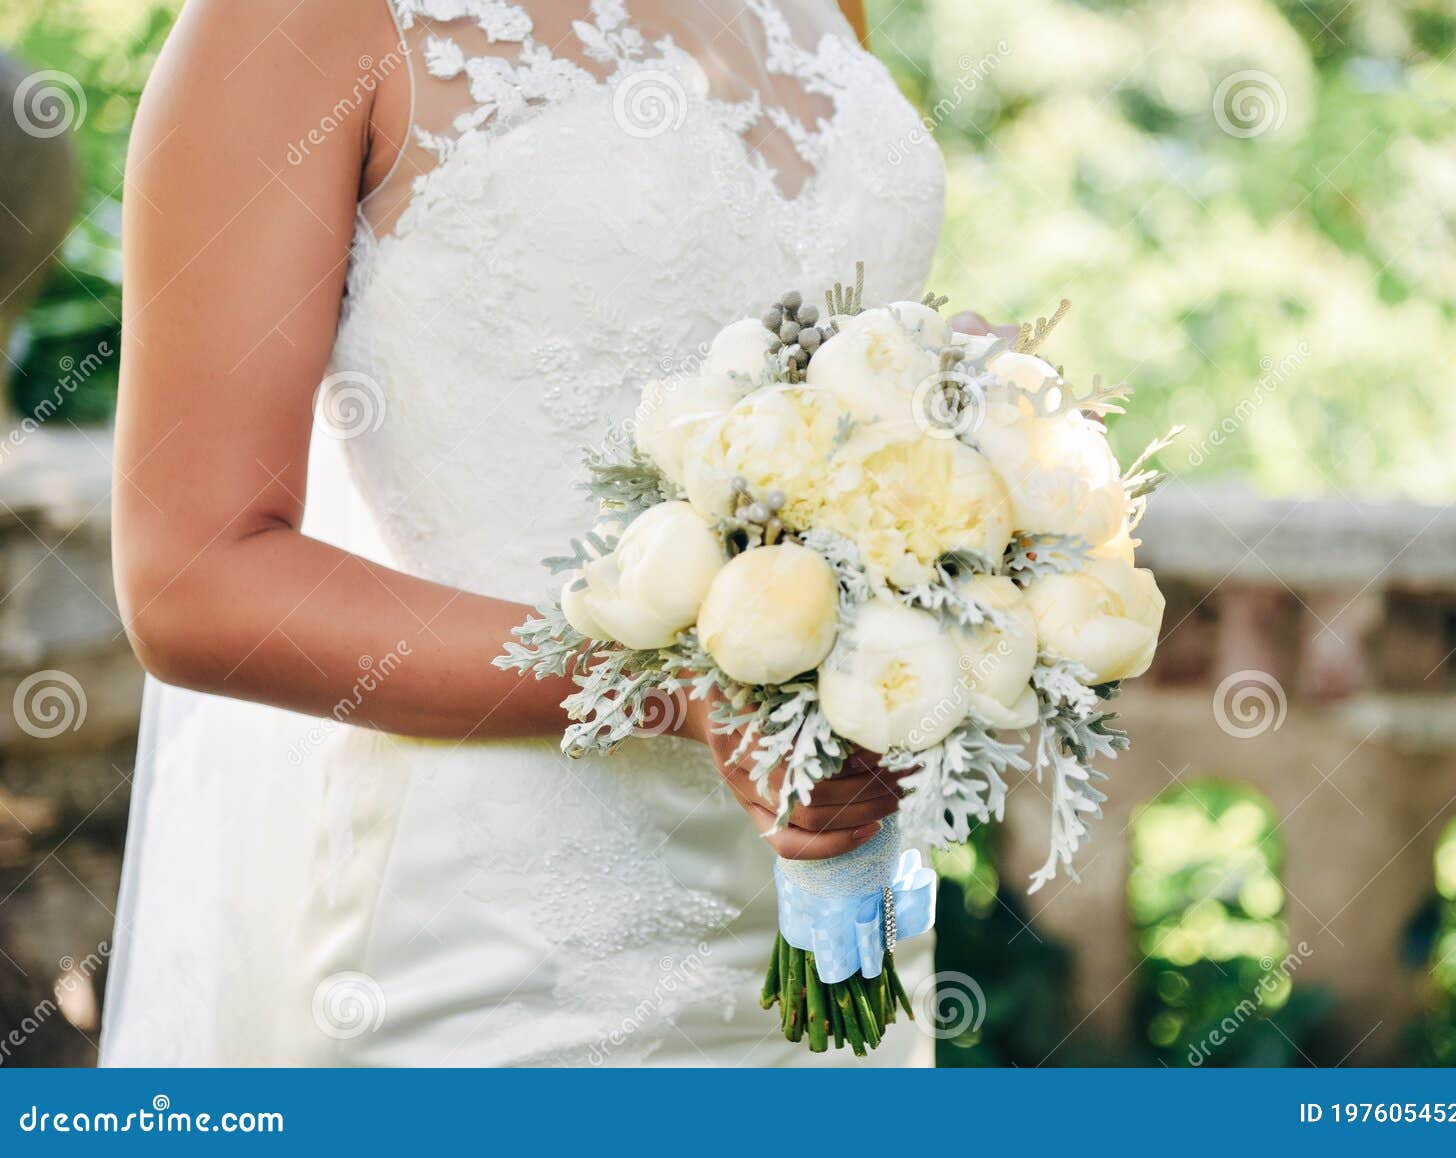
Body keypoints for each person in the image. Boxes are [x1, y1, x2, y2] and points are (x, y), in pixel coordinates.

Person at [103, 0, 951, 1065]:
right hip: (519, 954)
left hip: (843, 897)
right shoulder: (289, 22)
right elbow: (195, 581)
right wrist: (676, 691)